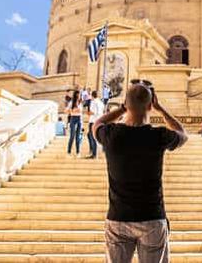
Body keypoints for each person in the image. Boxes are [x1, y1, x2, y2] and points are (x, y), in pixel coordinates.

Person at [94, 80, 188, 263]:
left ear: (127, 104)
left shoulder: (112, 135)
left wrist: (122, 109)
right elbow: (182, 133)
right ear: (150, 105)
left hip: (118, 218)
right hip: (152, 217)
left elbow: (97, 123)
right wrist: (160, 109)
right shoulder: (158, 135)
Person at [86, 91, 105, 159]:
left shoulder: (93, 102)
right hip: (99, 121)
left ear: (92, 95)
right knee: (89, 135)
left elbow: (93, 112)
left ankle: (94, 153)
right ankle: (93, 150)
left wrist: (87, 112)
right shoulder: (101, 103)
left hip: (93, 121)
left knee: (92, 137)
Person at [66, 90, 83, 157]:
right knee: (72, 136)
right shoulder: (71, 103)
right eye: (78, 95)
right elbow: (66, 110)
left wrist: (77, 110)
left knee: (78, 137)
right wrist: (73, 111)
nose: (79, 96)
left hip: (79, 119)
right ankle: (69, 152)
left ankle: (78, 152)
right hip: (73, 118)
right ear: (76, 95)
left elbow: (81, 112)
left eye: (80, 95)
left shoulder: (80, 103)